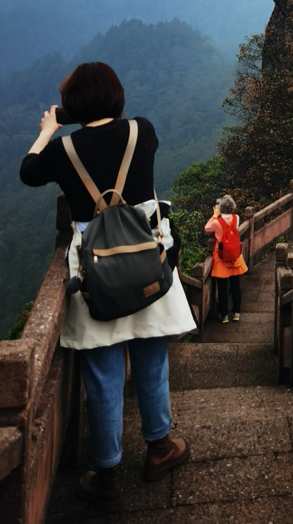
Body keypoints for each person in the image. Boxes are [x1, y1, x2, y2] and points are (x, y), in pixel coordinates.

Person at [20, 61, 194, 511]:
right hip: (145, 264)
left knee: (102, 373)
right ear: (116, 96)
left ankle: (107, 471)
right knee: (152, 358)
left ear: (73, 106)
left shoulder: (64, 150)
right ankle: (160, 448)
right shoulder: (144, 131)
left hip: (95, 272)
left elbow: (29, 171)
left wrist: (49, 129)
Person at [204, 194, 247, 323]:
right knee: (235, 286)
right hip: (234, 257)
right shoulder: (236, 218)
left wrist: (214, 215)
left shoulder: (216, 222)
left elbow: (206, 228)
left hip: (221, 258)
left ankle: (224, 315)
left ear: (220, 208)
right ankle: (236, 313)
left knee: (222, 288)